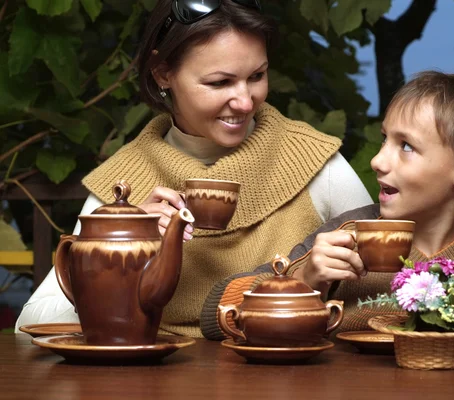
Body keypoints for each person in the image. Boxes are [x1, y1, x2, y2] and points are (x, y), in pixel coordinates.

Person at [15, 0, 372, 337]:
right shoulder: (125, 180)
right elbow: (32, 322)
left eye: (257, 75)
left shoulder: (310, 158)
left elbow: (393, 290)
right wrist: (122, 248)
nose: (245, 101)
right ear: (162, 73)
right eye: (220, 82)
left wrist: (309, 283)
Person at [202, 71, 454, 356]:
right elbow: (216, 314)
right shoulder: (348, 234)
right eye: (384, 140)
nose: (377, 161)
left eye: (406, 146)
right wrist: (306, 280)